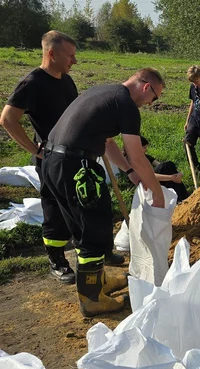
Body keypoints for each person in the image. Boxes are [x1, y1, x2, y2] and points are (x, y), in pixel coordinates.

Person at [0, 30, 123, 286]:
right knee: (56, 209)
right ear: (51, 53)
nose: (74, 62)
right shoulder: (32, 83)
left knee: (88, 204)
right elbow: (7, 119)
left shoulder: (66, 81)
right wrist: (35, 150)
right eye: (70, 56)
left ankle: (97, 253)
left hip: (77, 156)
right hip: (52, 159)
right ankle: (57, 261)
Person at [41, 68, 166, 317]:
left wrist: (129, 171)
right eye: (155, 97)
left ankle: (97, 282)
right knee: (95, 228)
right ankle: (91, 299)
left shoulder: (104, 92)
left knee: (81, 227)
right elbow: (136, 153)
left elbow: (108, 143)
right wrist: (157, 191)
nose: (152, 103)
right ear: (145, 87)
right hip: (76, 167)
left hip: (53, 161)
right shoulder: (126, 104)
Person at [123, 135, 190, 202]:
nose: (146, 150)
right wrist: (171, 177)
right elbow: (147, 177)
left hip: (154, 178)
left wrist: (178, 174)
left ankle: (182, 196)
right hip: (144, 185)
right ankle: (180, 197)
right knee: (167, 167)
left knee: (169, 165)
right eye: (144, 148)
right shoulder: (129, 162)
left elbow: (160, 165)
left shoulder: (145, 157)